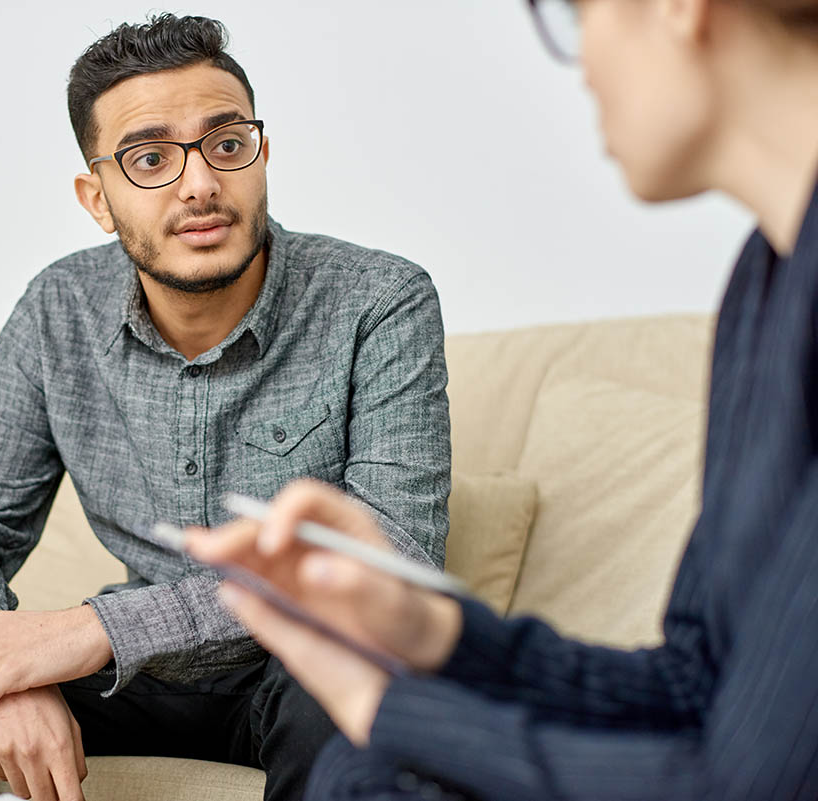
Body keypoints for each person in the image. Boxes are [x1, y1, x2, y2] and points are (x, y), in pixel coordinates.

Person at [187, 1, 818, 799]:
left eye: (574, 14)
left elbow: (751, 783)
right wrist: (432, 630)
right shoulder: (767, 281)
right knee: (366, 767)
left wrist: (381, 703)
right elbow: (693, 687)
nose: (582, 64)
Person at [0, 13, 453, 801]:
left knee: (366, 694)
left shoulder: (379, 300)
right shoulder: (60, 309)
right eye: (149, 158)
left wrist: (92, 630)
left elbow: (391, 556)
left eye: (226, 145)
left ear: (262, 156)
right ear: (97, 197)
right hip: (134, 683)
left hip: (300, 668)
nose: (199, 184)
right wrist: (2, 679)